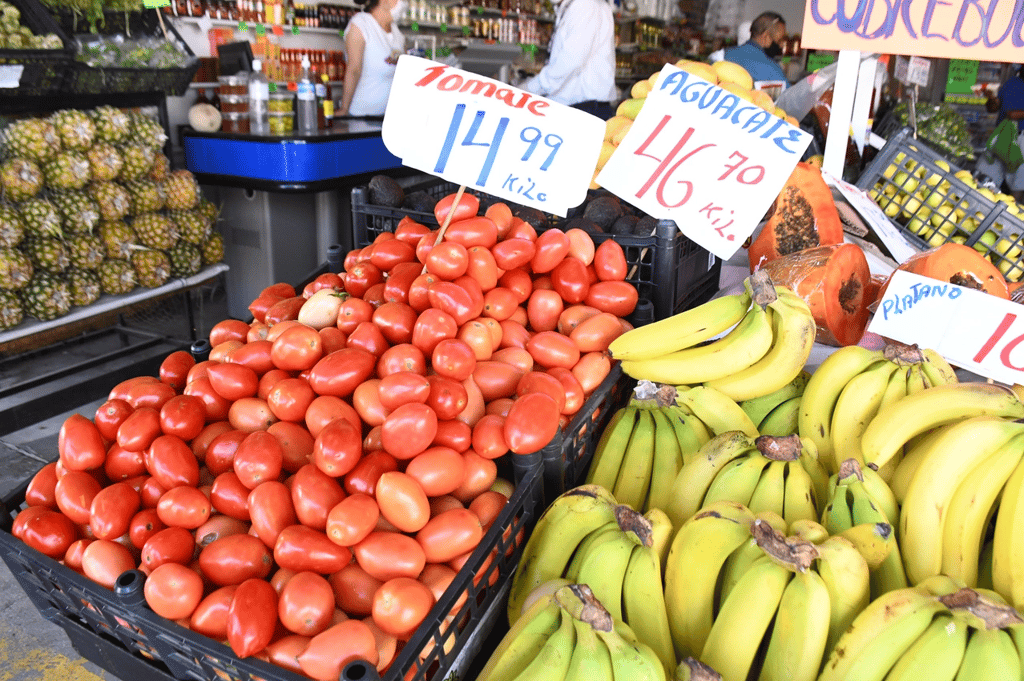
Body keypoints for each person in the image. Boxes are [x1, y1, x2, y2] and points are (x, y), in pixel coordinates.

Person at [519, 0, 617, 120]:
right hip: (577, 108)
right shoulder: (571, 7)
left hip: (584, 110)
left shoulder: (585, 5)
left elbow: (572, 60)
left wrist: (531, 87)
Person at [338, 0, 406, 117]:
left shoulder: (397, 33)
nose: (403, 2)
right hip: (362, 117)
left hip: (390, 119)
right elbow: (354, 70)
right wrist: (344, 109)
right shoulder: (361, 24)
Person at [722, 12, 788, 86]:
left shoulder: (724, 54)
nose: (782, 45)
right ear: (765, 36)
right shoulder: (772, 69)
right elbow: (788, 96)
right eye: (780, 40)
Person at [993, 64, 1024, 200]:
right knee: (1017, 183)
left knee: (1016, 181)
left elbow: (993, 107)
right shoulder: (1015, 84)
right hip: (1013, 137)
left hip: (1006, 136)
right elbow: (1012, 114)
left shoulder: (1011, 83)